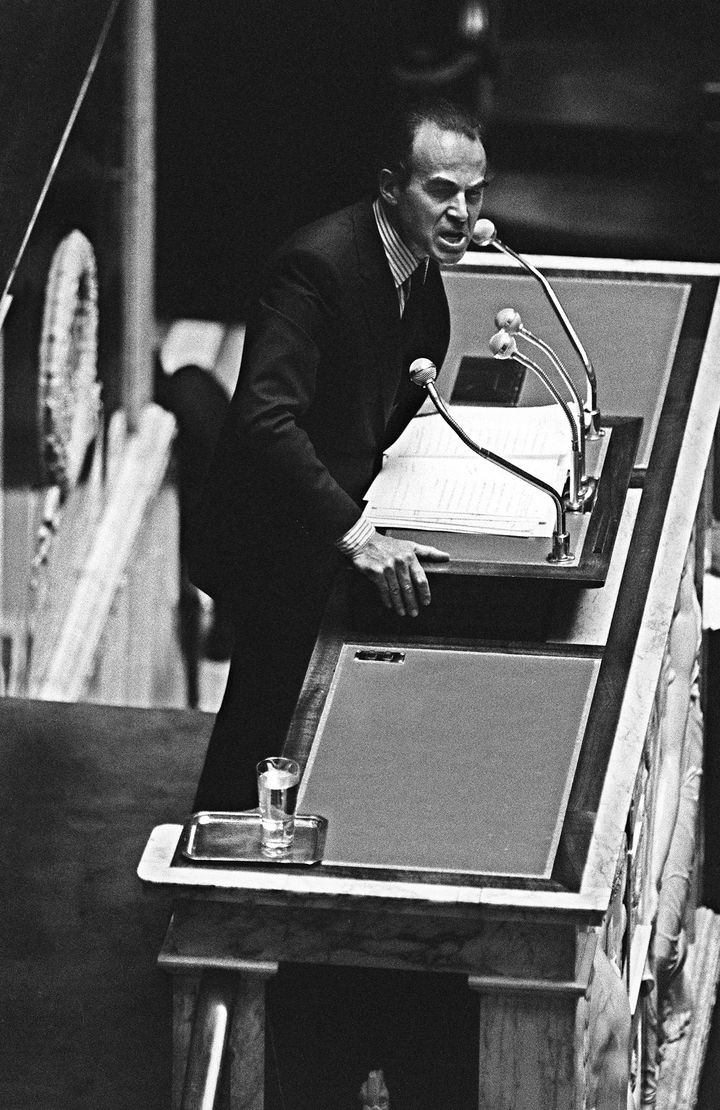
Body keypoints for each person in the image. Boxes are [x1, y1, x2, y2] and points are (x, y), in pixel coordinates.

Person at [189, 97, 489, 812]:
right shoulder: (316, 267)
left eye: (475, 192)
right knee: (259, 727)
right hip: (276, 537)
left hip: (332, 513)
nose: (463, 212)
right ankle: (213, 881)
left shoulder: (415, 260)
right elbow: (266, 419)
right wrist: (358, 534)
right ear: (390, 186)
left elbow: (388, 389)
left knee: (294, 721)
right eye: (442, 190)